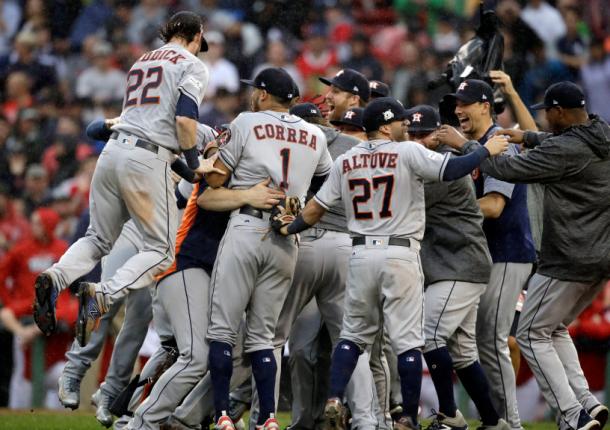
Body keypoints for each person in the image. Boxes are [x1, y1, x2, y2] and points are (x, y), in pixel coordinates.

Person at [275, 97, 509, 430]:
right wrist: (486, 150)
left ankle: (335, 396)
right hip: (399, 252)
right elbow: (453, 169)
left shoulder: (347, 159)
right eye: (400, 120)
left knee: (352, 336)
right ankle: (408, 419)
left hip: (359, 253)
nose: (406, 126)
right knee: (408, 341)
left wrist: (289, 227)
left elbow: (315, 210)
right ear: (385, 125)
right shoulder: (408, 152)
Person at [32, 12, 220, 347]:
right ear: (195, 35)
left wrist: (184, 166)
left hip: (112, 152)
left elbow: (135, 123)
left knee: (98, 239)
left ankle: (54, 276)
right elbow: (185, 122)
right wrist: (196, 164)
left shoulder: (142, 61)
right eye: (198, 43)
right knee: (161, 251)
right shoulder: (191, 64)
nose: (199, 49)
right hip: (146, 158)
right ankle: (102, 294)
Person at [444, 81, 610, 430]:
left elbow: (507, 170)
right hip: (599, 257)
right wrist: (529, 138)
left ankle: (571, 415)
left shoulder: (568, 150)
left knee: (532, 334)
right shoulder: (600, 134)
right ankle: (588, 403)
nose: (544, 118)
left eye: (547, 111)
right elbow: (565, 145)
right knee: (554, 327)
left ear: (560, 112)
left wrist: (467, 147)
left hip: (570, 257)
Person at [203, 67, 333, 430]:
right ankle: (270, 419)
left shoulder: (247, 121)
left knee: (222, 331)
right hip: (287, 235)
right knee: (264, 336)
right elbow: (328, 181)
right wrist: (300, 203)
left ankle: (222, 417)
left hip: (247, 224)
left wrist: (209, 155)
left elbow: (215, 178)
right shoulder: (314, 134)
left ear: (262, 94)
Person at [438, 79, 536, 430]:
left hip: (508, 252)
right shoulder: (476, 147)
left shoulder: (501, 144)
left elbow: (494, 206)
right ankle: (496, 419)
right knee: (479, 342)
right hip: (485, 255)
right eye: (456, 104)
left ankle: (509, 422)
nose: (458, 110)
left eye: (465, 103)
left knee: (493, 341)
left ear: (485, 105)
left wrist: (447, 213)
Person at [407, 105, 509, 430]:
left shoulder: (444, 165)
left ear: (439, 133)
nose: (418, 141)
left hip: (459, 263)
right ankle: (494, 422)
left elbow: (405, 200)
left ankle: (450, 416)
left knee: (428, 334)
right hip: (455, 264)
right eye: (412, 134)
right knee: (463, 353)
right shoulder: (428, 161)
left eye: (424, 134)